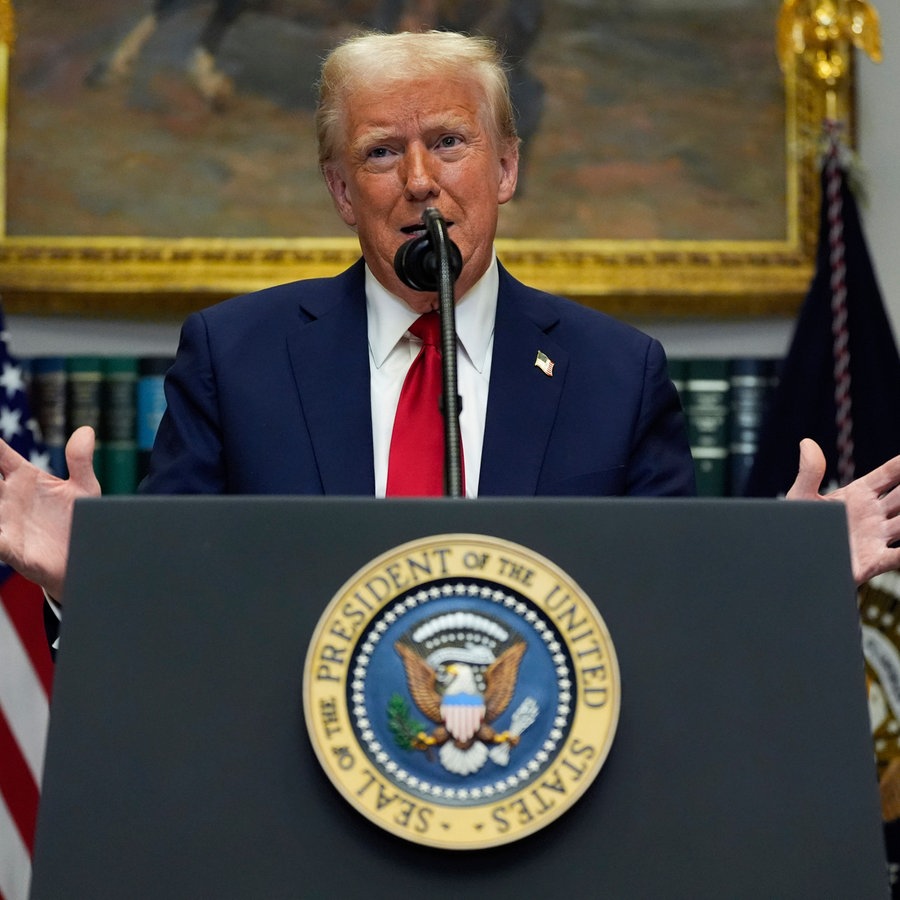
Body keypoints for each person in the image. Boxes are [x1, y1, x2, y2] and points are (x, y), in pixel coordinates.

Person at [0, 30, 898, 606]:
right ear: (342, 192)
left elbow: (665, 610)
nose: (420, 180)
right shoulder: (237, 358)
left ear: (505, 169)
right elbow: (181, 612)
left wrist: (787, 580)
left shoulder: (615, 372)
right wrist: (94, 584)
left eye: (450, 142)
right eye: (382, 151)